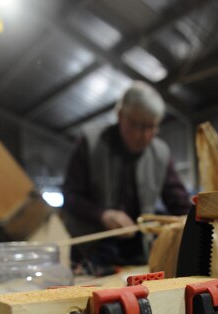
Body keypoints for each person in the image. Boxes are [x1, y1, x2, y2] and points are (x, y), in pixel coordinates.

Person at [61, 81, 191, 274]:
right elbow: (70, 196)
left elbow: (178, 201)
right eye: (136, 125)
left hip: (139, 252)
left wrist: (203, 218)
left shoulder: (160, 153)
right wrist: (102, 215)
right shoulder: (91, 141)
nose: (143, 135)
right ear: (120, 115)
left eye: (151, 127)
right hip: (93, 250)